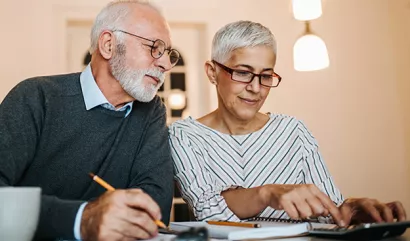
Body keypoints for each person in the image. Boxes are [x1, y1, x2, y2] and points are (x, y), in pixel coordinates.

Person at [169, 20, 406, 227]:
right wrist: (266, 193)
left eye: (266, 76)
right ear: (212, 72)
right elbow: (210, 212)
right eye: (243, 72)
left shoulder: (294, 132)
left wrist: (351, 209)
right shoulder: (184, 135)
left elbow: (328, 214)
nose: (255, 87)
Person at [0, 1, 180, 240]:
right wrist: (81, 219)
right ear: (108, 45)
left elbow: (152, 210)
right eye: (154, 48)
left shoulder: (151, 111)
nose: (165, 64)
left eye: (169, 53)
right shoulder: (36, 97)